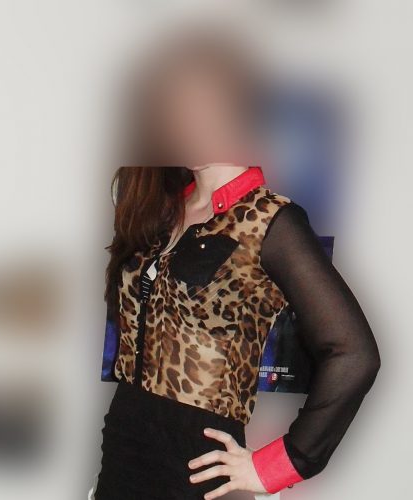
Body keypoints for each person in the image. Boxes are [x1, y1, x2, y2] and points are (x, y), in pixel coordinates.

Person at [93, 30, 381, 500]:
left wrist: (277, 467)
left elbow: (354, 353)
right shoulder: (160, 211)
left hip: (198, 469)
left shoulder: (271, 221)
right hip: (123, 451)